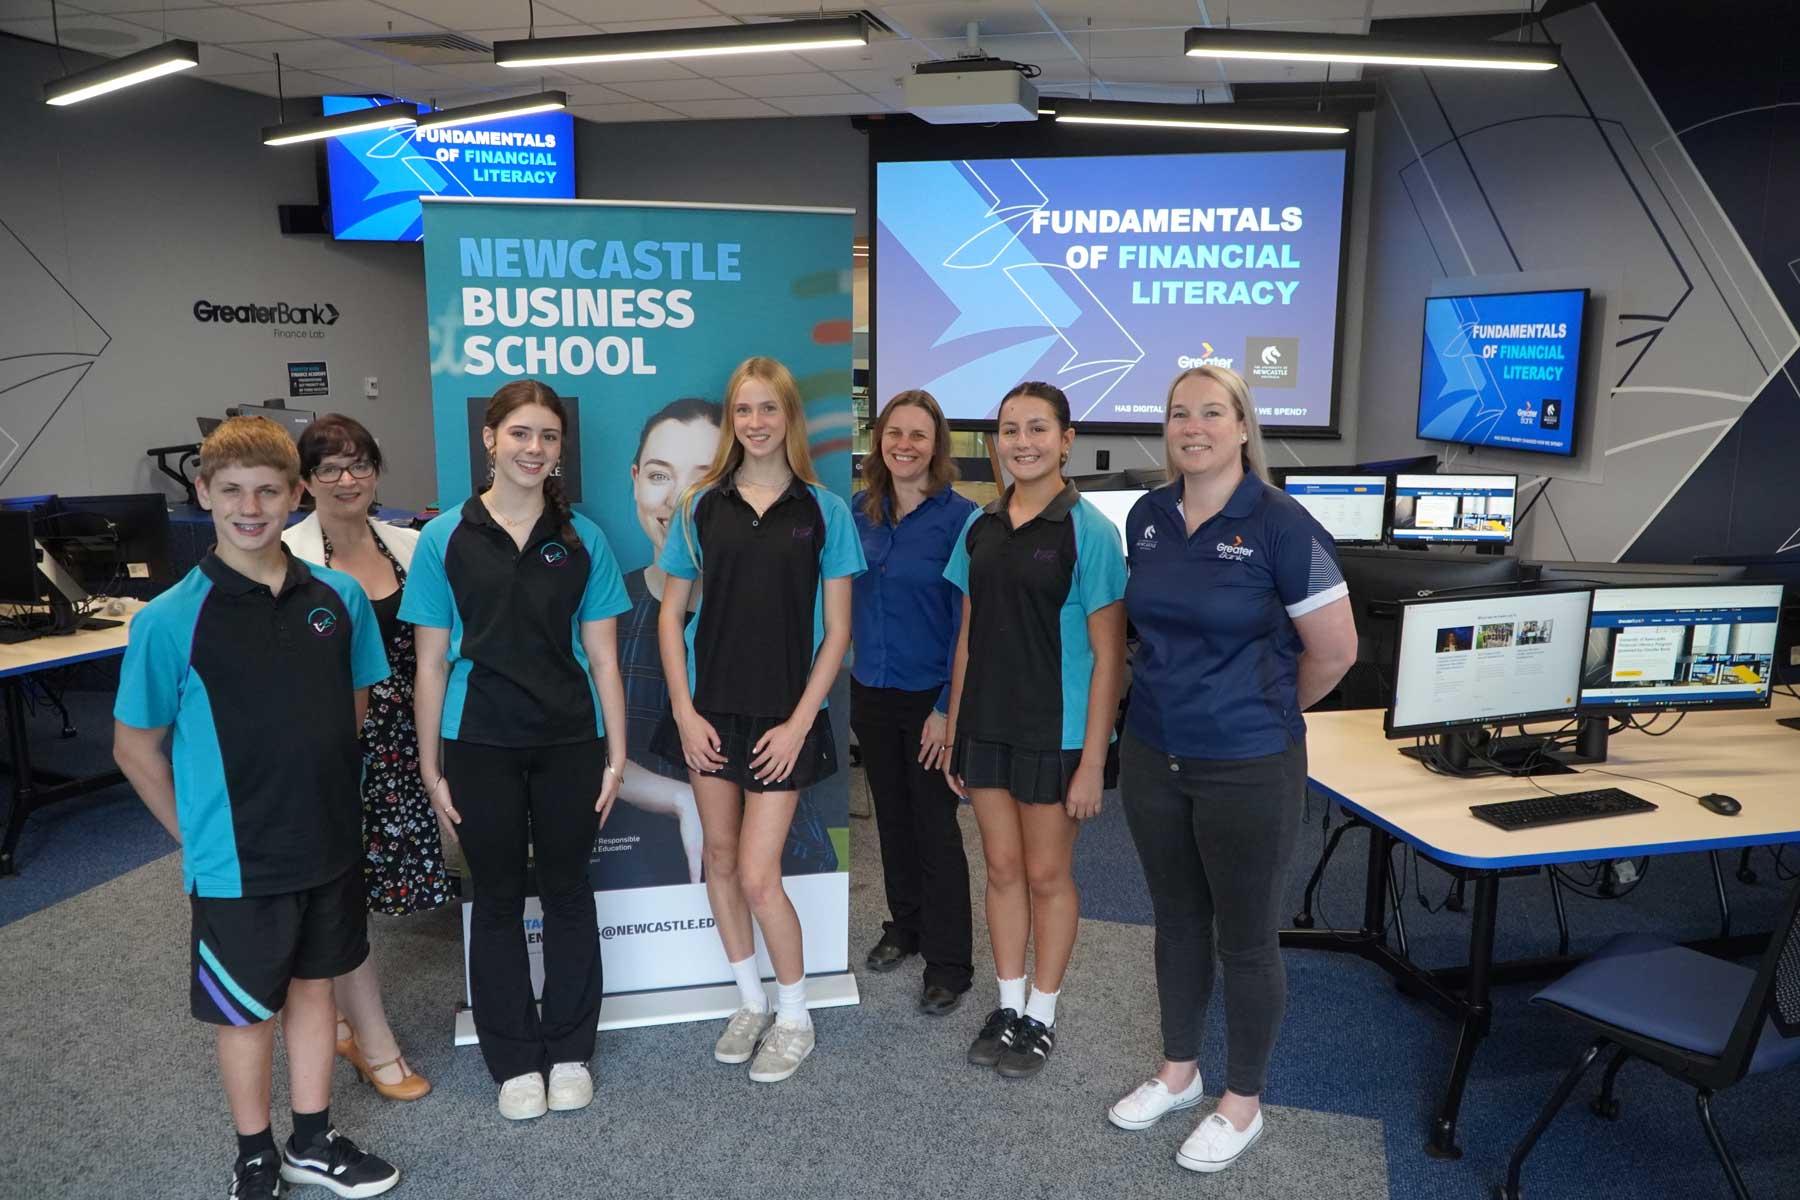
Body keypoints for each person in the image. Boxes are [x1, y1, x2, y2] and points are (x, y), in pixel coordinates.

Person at [112, 415, 400, 1200]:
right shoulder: (169, 620)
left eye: (268, 491)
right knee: (245, 1014)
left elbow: (351, 709)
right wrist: (196, 838)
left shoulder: (337, 597)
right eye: (232, 491)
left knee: (316, 989)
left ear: (295, 495)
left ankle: (312, 1140)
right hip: (236, 862)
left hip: (328, 842)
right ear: (203, 493)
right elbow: (134, 748)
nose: (250, 507)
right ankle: (255, 1154)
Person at [1105, 366, 1357, 1174]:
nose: (1194, 427)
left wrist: (1261, 710)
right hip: (1153, 753)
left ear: (1243, 427)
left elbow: (1336, 652)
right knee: (1177, 922)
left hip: (1248, 764)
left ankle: (1242, 1102)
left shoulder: (1282, 524)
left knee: (1245, 939)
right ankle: (1179, 1072)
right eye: (1180, 413)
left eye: (1212, 412)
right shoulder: (1147, 515)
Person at [402, 380, 631, 1120]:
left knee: (567, 892)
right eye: (521, 433)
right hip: (479, 743)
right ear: (490, 439)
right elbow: (431, 664)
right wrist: (430, 763)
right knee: (496, 899)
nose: (535, 449)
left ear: (561, 449)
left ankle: (569, 1051)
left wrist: (616, 756)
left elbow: (604, 659)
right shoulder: (444, 538)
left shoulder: (585, 539)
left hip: (571, 741)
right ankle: (513, 1061)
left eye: (548, 436)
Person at [653, 356, 866, 1084]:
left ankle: (795, 1015)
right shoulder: (700, 505)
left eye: (768, 408)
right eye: (744, 409)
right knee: (719, 858)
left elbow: (837, 632)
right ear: (732, 419)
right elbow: (671, 615)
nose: (756, 422)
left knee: (757, 873)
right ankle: (750, 1001)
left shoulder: (824, 511)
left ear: (789, 417)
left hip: (784, 718)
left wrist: (801, 723)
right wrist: (683, 711)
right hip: (709, 713)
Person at [942, 381, 1126, 1080]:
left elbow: (1109, 657)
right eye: (1010, 430)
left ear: (1066, 439)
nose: (1023, 442)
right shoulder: (979, 525)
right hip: (988, 724)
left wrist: (1092, 762)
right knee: (1001, 869)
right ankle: (1008, 1005)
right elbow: (968, 638)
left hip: (1057, 732)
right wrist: (956, 729)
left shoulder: (1091, 532)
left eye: (1038, 428)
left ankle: (1042, 1015)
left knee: (1047, 875)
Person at [283, 413, 436, 1104]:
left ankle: (344, 1023)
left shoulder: (412, 544)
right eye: (329, 468)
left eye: (359, 464)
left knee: (369, 888)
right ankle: (376, 1046)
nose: (347, 479)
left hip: (405, 742)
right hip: (328, 746)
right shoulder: (287, 556)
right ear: (306, 482)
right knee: (339, 895)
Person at [850, 389, 977, 1015]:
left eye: (918, 435)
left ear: (936, 445)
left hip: (931, 696)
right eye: (894, 433)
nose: (904, 445)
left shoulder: (962, 520)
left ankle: (950, 963)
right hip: (870, 689)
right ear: (880, 440)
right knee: (892, 819)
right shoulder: (859, 512)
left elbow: (968, 625)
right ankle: (905, 926)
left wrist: (948, 709)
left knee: (935, 825)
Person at [610, 397, 721, 886]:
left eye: (703, 477)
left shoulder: (756, 609)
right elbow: (578, 739)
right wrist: (680, 798)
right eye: (659, 475)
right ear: (635, 479)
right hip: (622, 860)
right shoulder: (609, 607)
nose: (679, 500)